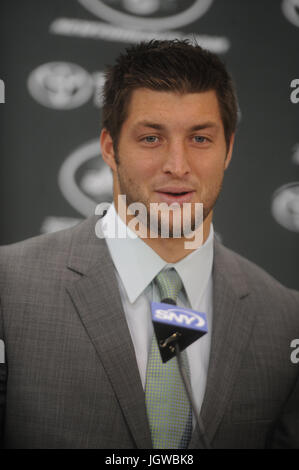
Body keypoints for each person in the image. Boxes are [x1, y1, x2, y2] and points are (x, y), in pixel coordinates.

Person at [0, 39, 298, 449]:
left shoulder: (285, 319)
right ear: (109, 148)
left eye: (200, 139)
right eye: (152, 139)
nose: (177, 165)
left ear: (228, 150)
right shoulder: (8, 288)